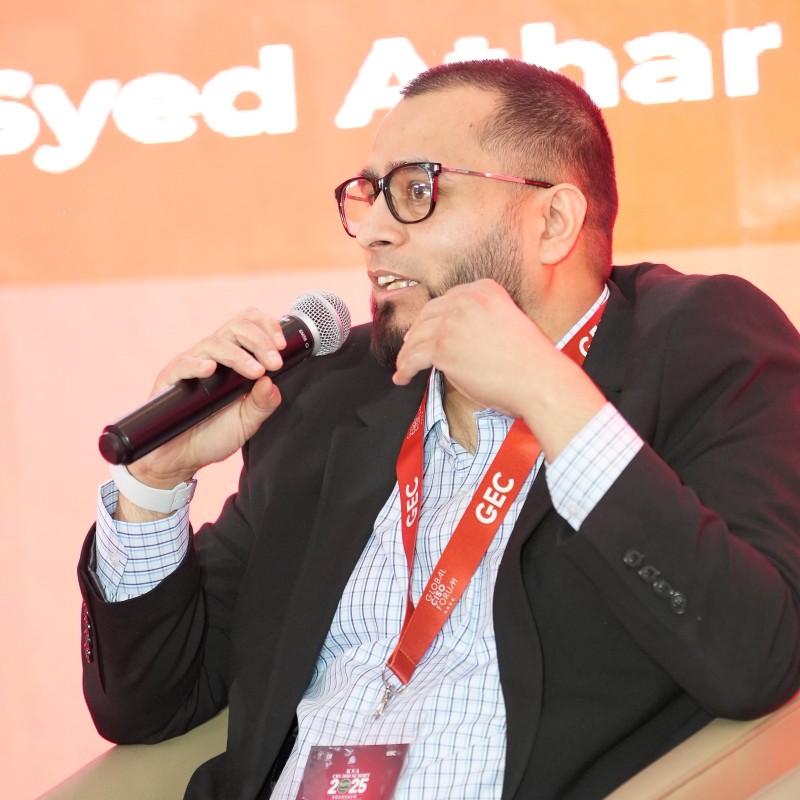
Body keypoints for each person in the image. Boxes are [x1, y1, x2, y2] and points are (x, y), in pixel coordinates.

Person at [78, 59, 800, 800]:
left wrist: (549, 393)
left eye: (417, 190)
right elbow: (147, 704)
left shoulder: (697, 346)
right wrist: (154, 487)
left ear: (552, 222)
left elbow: (756, 656)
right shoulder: (327, 394)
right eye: (369, 195)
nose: (373, 232)